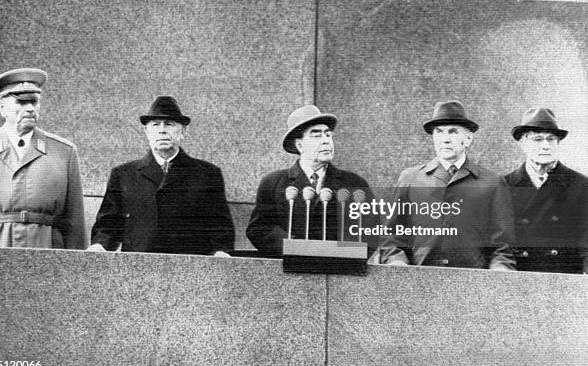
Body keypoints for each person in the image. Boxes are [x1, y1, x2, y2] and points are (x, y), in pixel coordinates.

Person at [370, 100, 515, 270]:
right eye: (439, 132)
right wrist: (398, 264)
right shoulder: (410, 178)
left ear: (468, 139)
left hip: (473, 281)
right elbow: (391, 235)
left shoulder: (492, 183)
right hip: (420, 278)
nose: (445, 139)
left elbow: (503, 245)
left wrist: (499, 271)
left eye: (453, 132)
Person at [89, 96, 234, 256]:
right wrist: (100, 246)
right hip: (138, 266)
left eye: (170, 124)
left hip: (190, 268)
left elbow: (220, 226)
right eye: (156, 124)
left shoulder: (207, 174)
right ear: (147, 131)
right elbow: (108, 223)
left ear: (183, 131)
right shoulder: (124, 174)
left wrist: (221, 252)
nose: (162, 130)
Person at [0, 68, 85, 249]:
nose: (30, 109)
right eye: (21, 102)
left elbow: (75, 222)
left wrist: (78, 268)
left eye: (34, 102)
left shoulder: (64, 152)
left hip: (48, 249)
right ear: (2, 108)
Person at [246, 105, 373, 256]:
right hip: (289, 270)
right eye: (316, 135)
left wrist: (338, 253)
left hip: (338, 270)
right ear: (299, 145)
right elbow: (259, 229)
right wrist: (294, 248)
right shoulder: (273, 182)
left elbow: (369, 231)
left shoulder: (354, 183)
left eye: (328, 135)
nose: (326, 141)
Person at [505, 108, 588, 274]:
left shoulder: (580, 185)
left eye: (551, 139)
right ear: (522, 143)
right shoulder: (504, 185)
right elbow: (497, 245)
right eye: (537, 139)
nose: (545, 146)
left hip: (562, 280)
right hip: (518, 277)